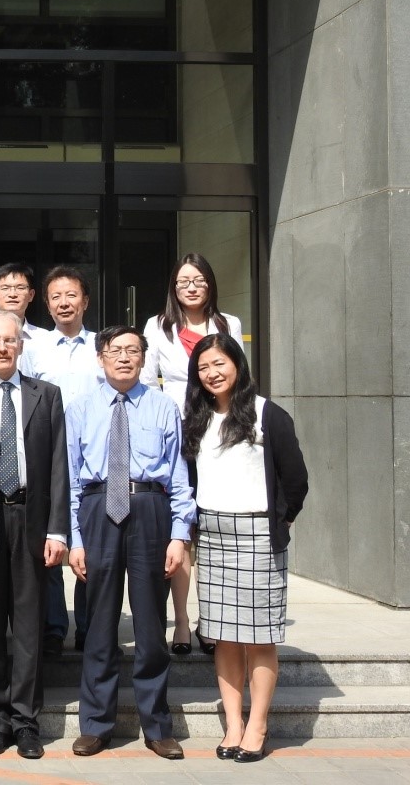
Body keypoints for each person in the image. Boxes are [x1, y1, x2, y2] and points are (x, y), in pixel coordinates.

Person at [66, 325, 195, 761]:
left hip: (150, 510)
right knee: (99, 625)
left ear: (143, 358)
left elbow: (179, 476)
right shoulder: (80, 408)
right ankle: (95, 725)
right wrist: (75, 539)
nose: (124, 357)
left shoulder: (163, 407)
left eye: (132, 350)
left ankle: (157, 726)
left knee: (151, 627)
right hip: (98, 508)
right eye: (115, 350)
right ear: (100, 358)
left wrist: (179, 535)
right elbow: (70, 479)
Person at [183, 333, 307, 763]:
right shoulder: (196, 418)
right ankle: (233, 723)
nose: (212, 373)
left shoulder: (267, 414)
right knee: (224, 635)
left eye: (219, 363)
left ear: (238, 364)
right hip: (212, 534)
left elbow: (296, 479)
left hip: (257, 535)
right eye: (203, 367)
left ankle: (258, 725)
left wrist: (281, 521)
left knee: (259, 636)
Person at [0, 310, 68, 760]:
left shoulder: (47, 395)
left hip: (31, 519)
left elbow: (60, 467)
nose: (2, 347)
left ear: (21, 345)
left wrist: (58, 530)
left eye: (10, 340)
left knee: (29, 626)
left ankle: (26, 720)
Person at [141, 253, 244, 655]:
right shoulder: (157, 326)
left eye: (198, 280)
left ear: (210, 284)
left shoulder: (228, 324)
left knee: (214, 529)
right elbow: (148, 381)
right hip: (177, 435)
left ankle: (211, 620)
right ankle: (182, 621)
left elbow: (238, 376)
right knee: (181, 530)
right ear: (174, 286)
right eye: (183, 280)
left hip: (218, 434)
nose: (191, 287)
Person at [30, 265, 103, 658]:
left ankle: (89, 628)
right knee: (53, 539)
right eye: (55, 296)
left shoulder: (103, 348)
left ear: (85, 301)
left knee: (91, 542)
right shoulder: (36, 349)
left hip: (94, 455)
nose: (63, 302)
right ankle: (54, 627)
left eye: (71, 295)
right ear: (47, 304)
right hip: (48, 453)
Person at [0, 262, 43, 375]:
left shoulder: (45, 339)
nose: (12, 294)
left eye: (20, 288)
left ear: (31, 295)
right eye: (5, 288)